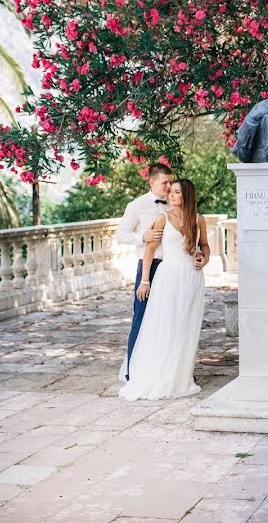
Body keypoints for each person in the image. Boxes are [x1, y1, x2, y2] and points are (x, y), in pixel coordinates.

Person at [119, 179, 210, 400]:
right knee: (165, 325)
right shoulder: (163, 218)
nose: (171, 195)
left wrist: (203, 259)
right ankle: (159, 373)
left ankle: (180, 375)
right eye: (172, 192)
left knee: (186, 326)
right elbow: (149, 252)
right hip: (168, 277)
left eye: (177, 192)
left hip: (192, 277)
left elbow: (204, 246)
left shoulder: (198, 220)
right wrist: (145, 280)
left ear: (187, 195)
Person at [114, 162, 173, 381]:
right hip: (148, 267)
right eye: (164, 183)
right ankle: (132, 371)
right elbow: (120, 235)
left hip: (172, 268)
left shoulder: (175, 204)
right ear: (152, 182)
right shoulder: (137, 205)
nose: (168, 187)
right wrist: (142, 238)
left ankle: (163, 369)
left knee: (166, 319)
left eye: (170, 182)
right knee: (141, 316)